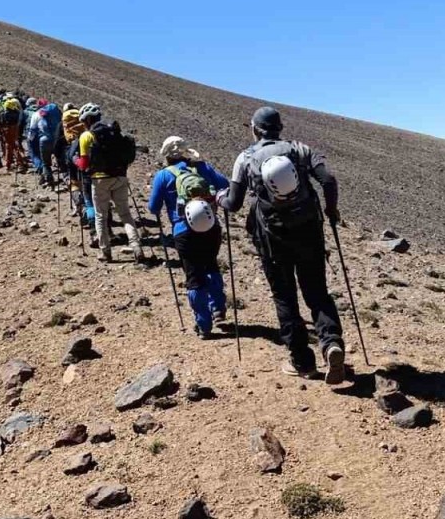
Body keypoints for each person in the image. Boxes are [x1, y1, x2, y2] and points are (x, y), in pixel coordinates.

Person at [217, 106, 345, 384]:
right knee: (317, 291)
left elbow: (234, 204)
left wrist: (219, 198)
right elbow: (328, 180)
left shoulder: (246, 158)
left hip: (271, 238)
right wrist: (331, 211)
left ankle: (302, 361)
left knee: (284, 296)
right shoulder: (300, 149)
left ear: (255, 129)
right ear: (279, 127)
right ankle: (331, 343)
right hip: (309, 231)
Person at [147, 136, 230, 338]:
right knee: (211, 264)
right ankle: (218, 307)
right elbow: (225, 184)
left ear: (166, 156)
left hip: (183, 231)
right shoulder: (201, 168)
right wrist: (202, 164)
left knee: (194, 277)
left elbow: (153, 208)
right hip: (210, 227)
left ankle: (203, 325)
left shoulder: (163, 176)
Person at [73, 103, 144, 263]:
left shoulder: (86, 136)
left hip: (99, 180)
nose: (83, 124)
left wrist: (75, 160)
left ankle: (106, 252)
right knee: (125, 215)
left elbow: (84, 165)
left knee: (100, 217)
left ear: (88, 119)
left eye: (84, 121)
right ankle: (137, 247)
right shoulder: (114, 131)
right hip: (120, 177)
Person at [0, 92, 27, 172]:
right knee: (13, 145)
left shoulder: (3, 107)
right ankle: (11, 164)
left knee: (10, 146)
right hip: (15, 127)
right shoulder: (15, 106)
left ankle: (17, 164)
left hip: (7, 129)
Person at [37, 99, 63, 186]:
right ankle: (66, 177)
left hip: (45, 140)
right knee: (60, 159)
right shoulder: (55, 110)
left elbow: (41, 127)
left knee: (45, 163)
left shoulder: (42, 114)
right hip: (57, 139)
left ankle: (49, 179)